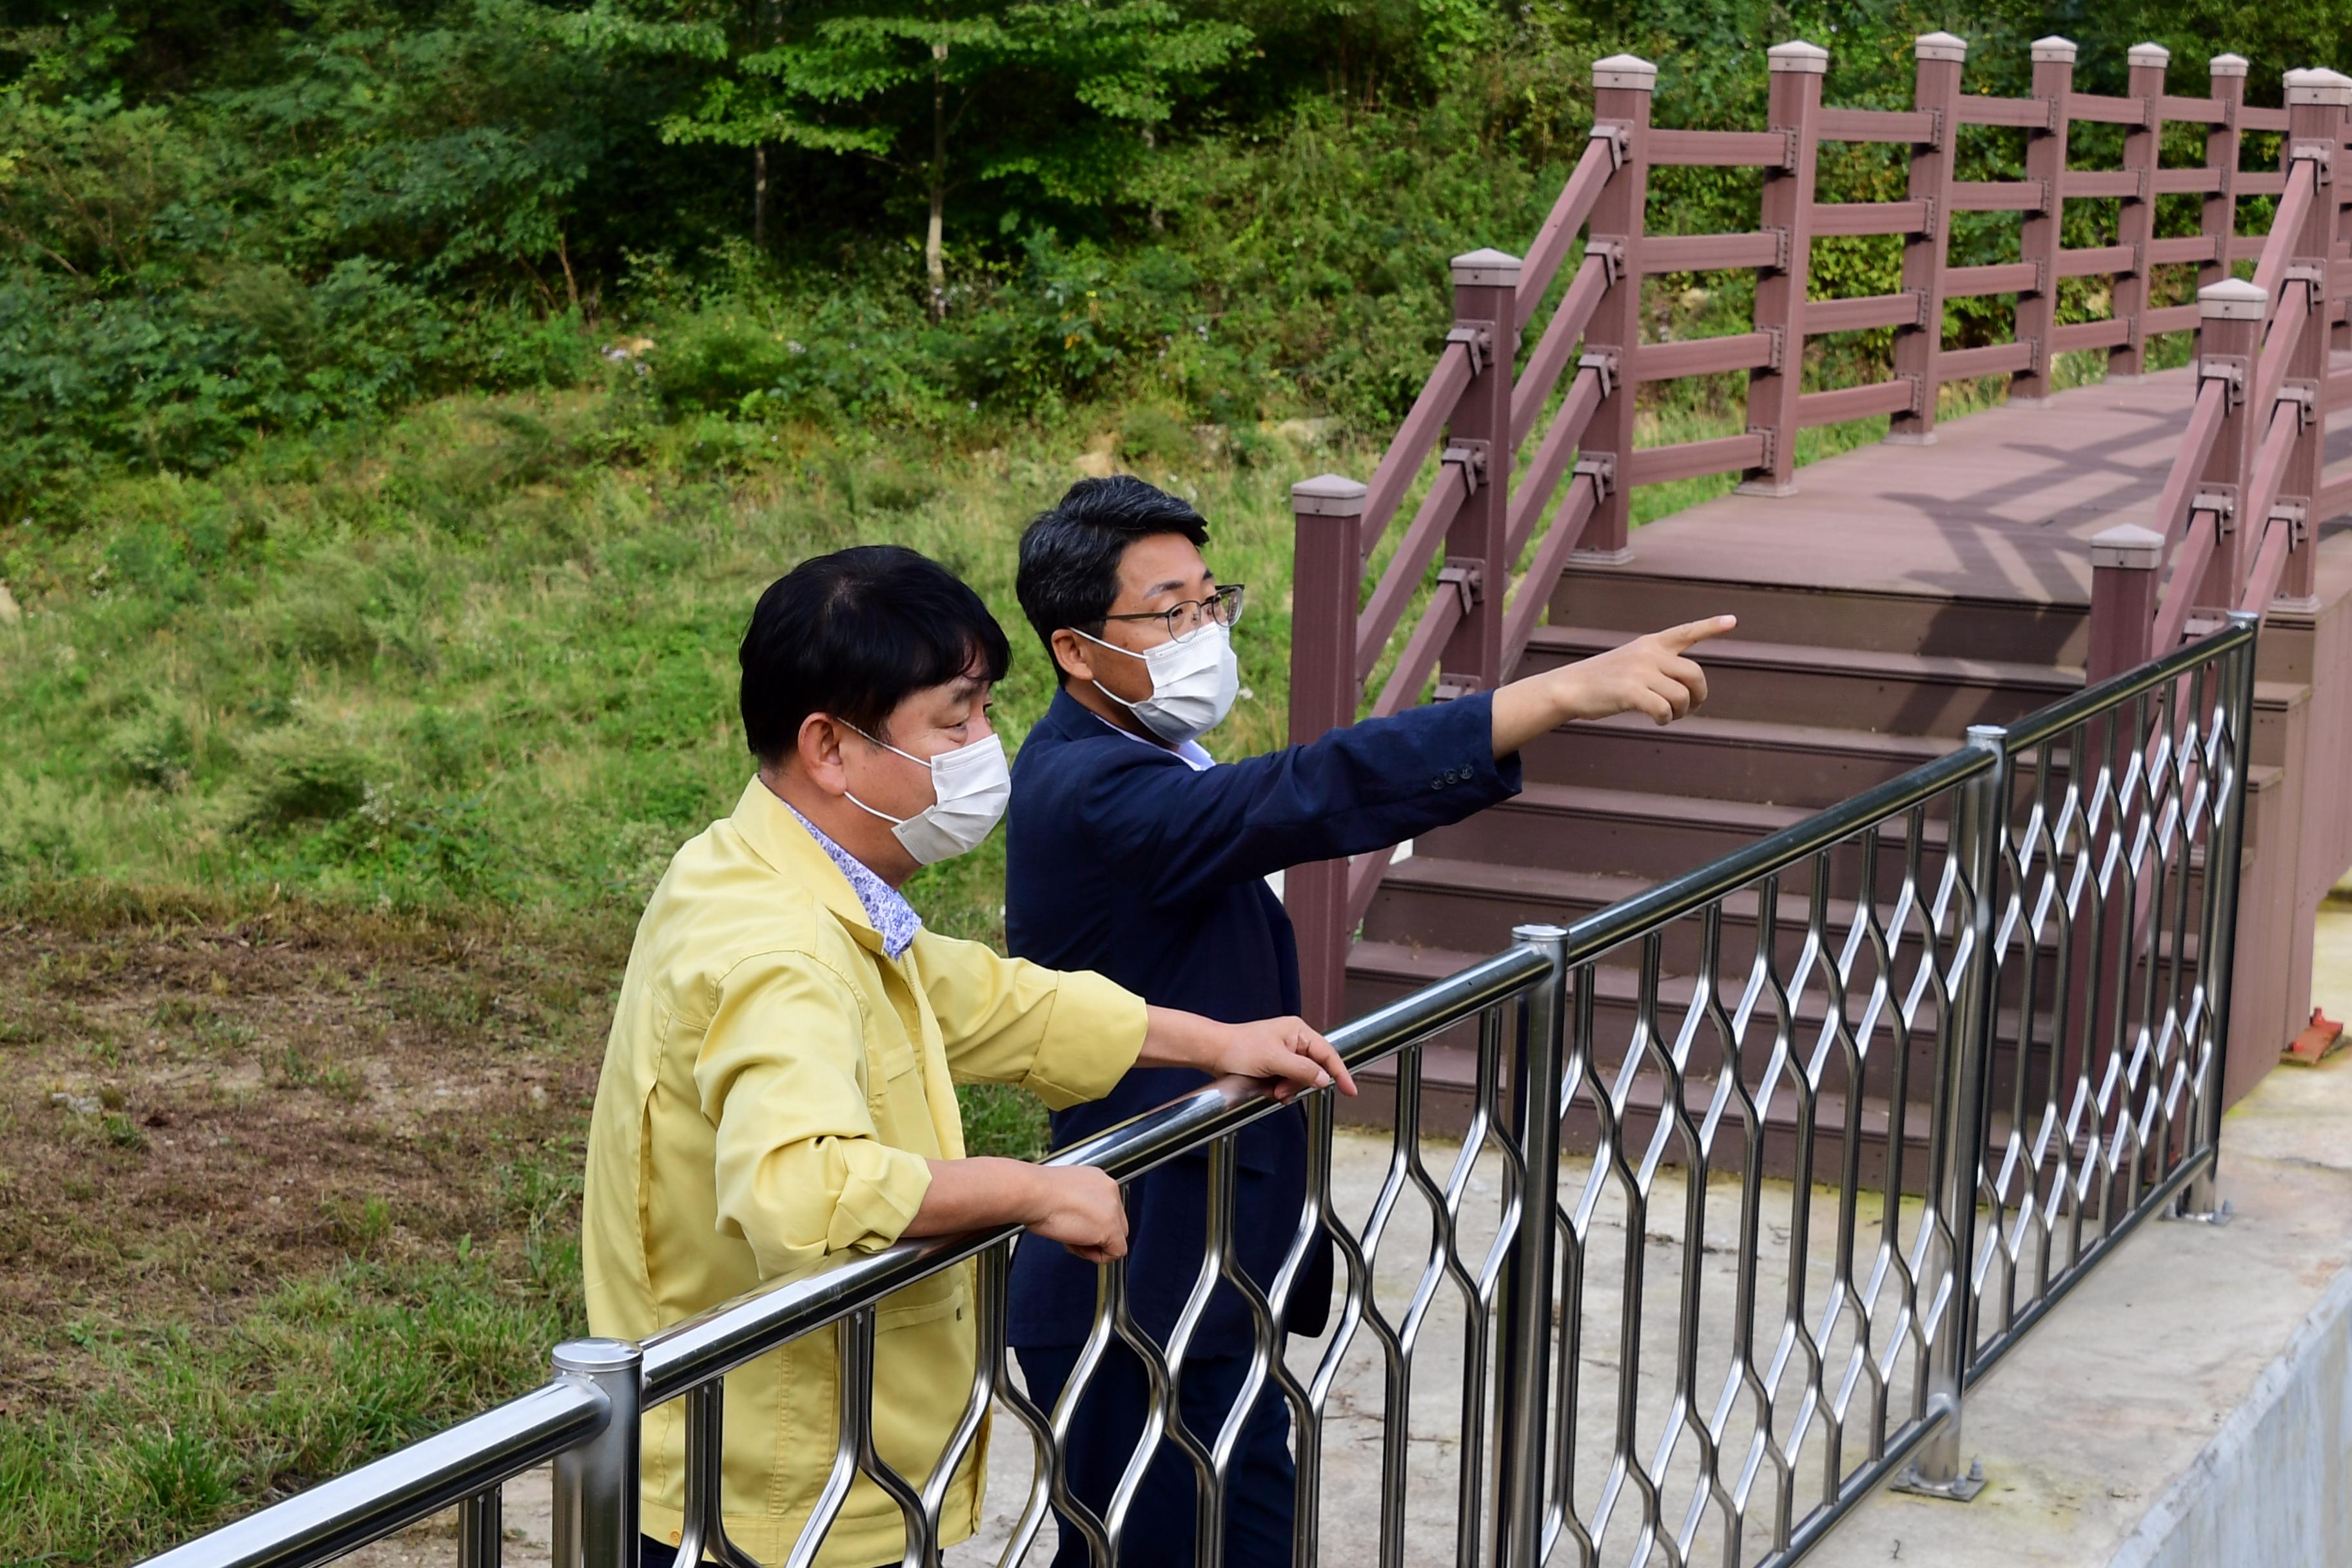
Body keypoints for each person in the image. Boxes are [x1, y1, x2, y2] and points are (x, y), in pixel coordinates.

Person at [581, 544, 1357, 1568]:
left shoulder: (771, 869)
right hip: (777, 1495)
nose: (987, 745)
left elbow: (988, 999)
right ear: (829, 746)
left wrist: (1216, 1041)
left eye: (985, 711)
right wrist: (1030, 1192)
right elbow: (799, 1191)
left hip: (813, 1463)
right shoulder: (776, 948)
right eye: (956, 720)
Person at [1003, 477, 1730, 1565]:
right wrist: (1558, 697)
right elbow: (1306, 793)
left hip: (1202, 1270)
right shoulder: (1091, 790)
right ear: (1075, 649)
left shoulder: (1146, 758)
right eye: (1169, 612)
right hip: (1139, 1278)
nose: (1204, 632)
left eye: (1212, 603)